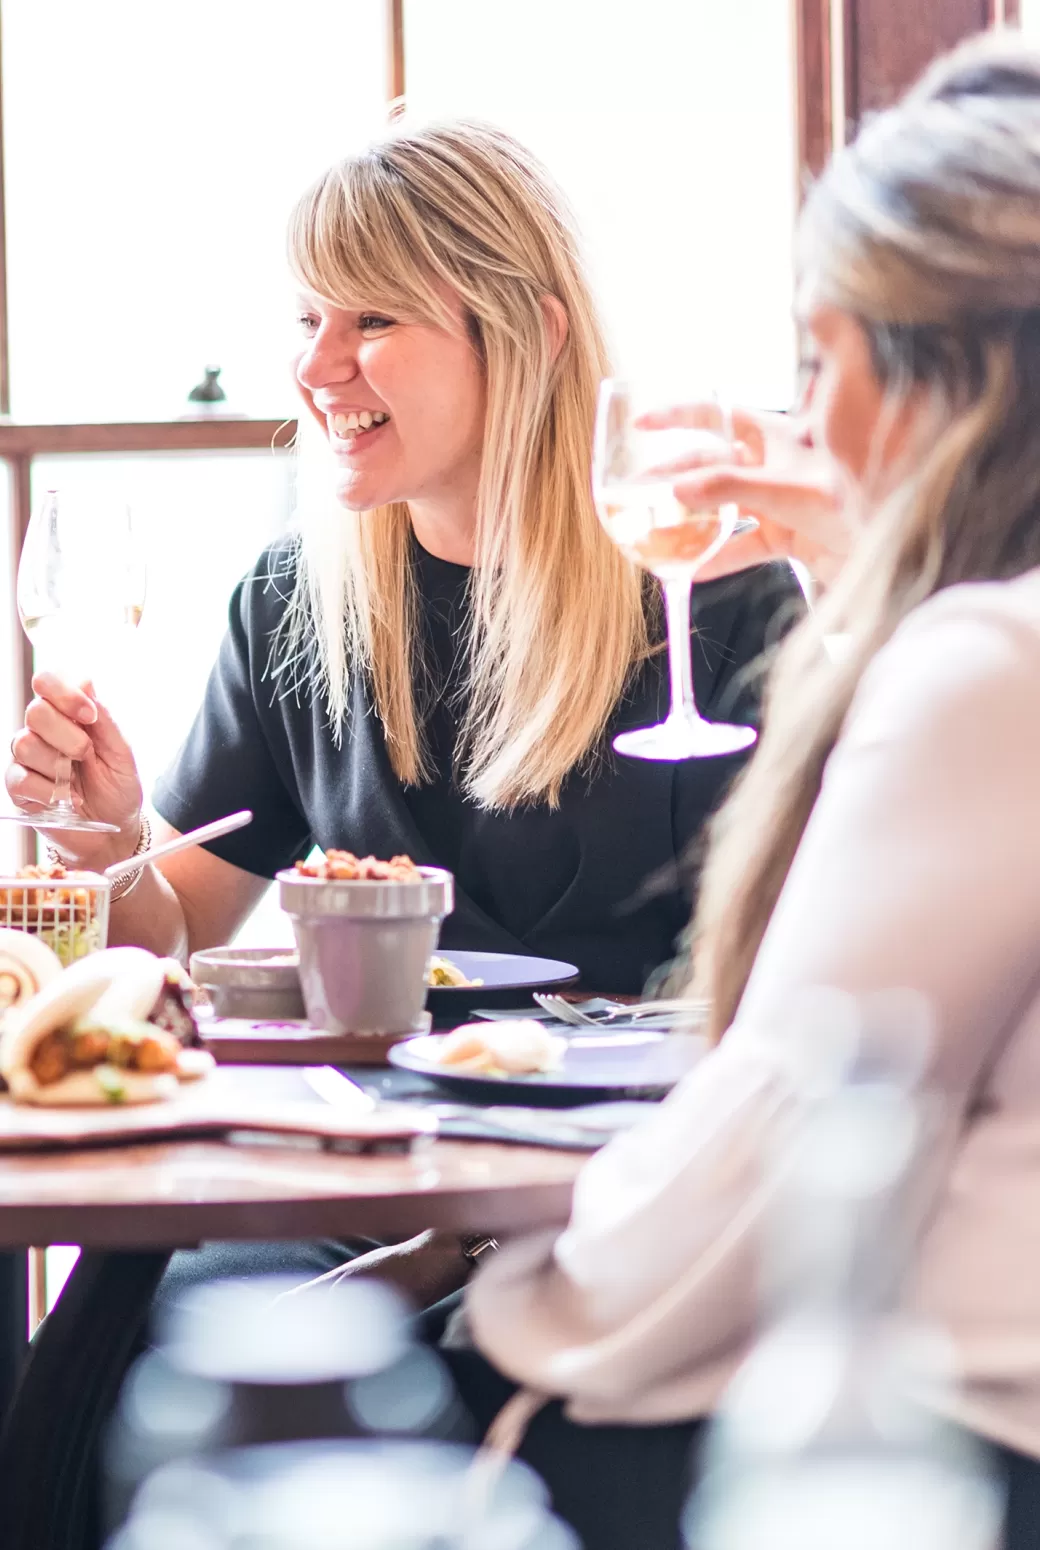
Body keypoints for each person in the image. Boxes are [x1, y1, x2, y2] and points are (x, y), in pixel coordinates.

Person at [304, 35, 1040, 1550]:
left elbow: (786, 1134)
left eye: (819, 364)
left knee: (258, 1426)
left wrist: (489, 1280)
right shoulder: (968, 647)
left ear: (941, 378)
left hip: (932, 1436)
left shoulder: (983, 667)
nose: (801, 425)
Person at [5, 120, 802, 1002]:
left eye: (373, 317)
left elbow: (805, 971)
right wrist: (108, 841)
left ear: (530, 335)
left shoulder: (715, 592)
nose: (314, 365)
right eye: (309, 318)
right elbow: (178, 944)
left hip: (645, 1121)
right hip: (374, 1125)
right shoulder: (290, 605)